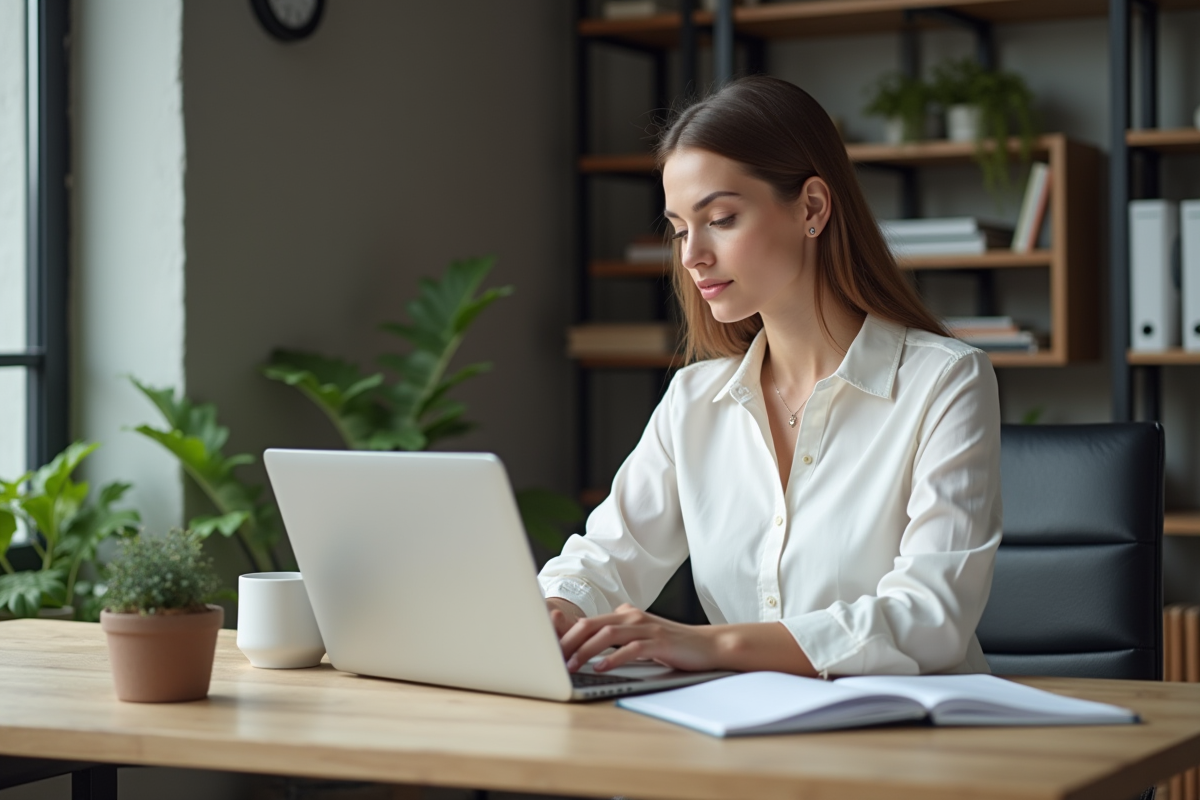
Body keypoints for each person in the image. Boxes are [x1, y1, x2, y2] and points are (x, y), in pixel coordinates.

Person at [539, 75, 1001, 679]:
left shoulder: (944, 383)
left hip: (909, 742)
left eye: (721, 219)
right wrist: (555, 609)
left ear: (811, 207)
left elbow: (929, 619)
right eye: (680, 229)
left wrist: (714, 646)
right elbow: (603, 563)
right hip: (744, 736)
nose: (691, 255)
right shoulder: (694, 401)